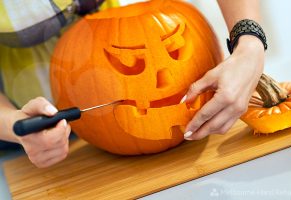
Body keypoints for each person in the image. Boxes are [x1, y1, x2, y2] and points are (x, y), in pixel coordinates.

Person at [0, 0, 265, 168]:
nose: (165, 81)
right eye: (129, 62)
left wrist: (250, 42)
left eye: (174, 49)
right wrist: (13, 124)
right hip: (25, 135)